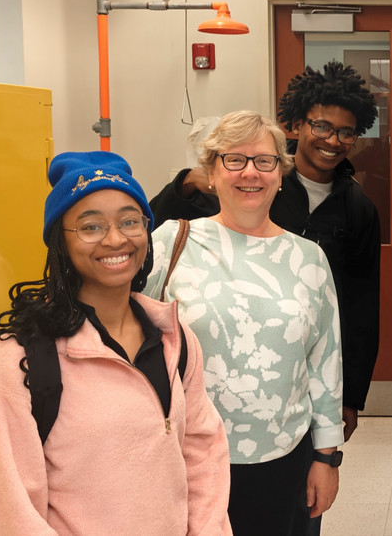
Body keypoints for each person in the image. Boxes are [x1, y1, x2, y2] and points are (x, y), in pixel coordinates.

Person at [0, 151, 231, 535]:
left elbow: (202, 453)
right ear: (59, 243)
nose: (115, 239)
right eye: (90, 227)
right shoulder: (16, 364)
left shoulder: (172, 338)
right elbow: (0, 514)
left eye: (130, 221)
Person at [149, 60, 379, 443]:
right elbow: (157, 236)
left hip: (300, 374)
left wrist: (350, 396)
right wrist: (187, 185)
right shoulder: (253, 182)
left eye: (346, 133)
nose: (332, 140)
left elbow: (359, 307)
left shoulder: (358, 208)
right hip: (215, 394)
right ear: (298, 124)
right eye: (322, 126)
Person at [144, 110, 344, 536]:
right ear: (211, 173)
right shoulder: (171, 243)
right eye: (234, 160)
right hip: (186, 457)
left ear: (279, 173)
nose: (250, 172)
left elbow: (325, 364)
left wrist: (327, 459)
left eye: (264, 161)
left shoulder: (308, 259)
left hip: (285, 459)